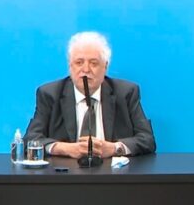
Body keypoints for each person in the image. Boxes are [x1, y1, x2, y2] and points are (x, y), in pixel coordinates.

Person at [25, 31, 156, 158]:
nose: (86, 70)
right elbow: (30, 139)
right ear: (70, 66)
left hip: (112, 170)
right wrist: (64, 148)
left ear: (105, 66)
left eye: (93, 63)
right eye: (79, 62)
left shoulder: (126, 92)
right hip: (65, 170)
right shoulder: (50, 94)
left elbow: (147, 139)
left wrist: (114, 148)